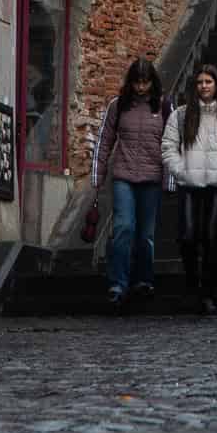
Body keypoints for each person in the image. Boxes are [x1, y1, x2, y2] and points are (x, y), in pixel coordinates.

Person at [161, 64, 217, 315]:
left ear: (216, 84)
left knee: (212, 241)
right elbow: (168, 146)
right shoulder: (181, 114)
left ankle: (208, 294)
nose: (204, 86)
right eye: (200, 82)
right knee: (187, 238)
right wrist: (182, 171)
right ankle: (192, 288)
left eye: (209, 81)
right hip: (189, 186)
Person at [92, 58, 169, 311]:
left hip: (152, 178)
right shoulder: (119, 105)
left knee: (146, 235)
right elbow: (105, 140)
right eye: (137, 82)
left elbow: (171, 144)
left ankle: (144, 280)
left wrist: (169, 178)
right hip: (123, 176)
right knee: (124, 227)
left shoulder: (164, 106)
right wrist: (98, 174)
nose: (141, 87)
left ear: (152, 82)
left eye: (145, 82)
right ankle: (118, 283)